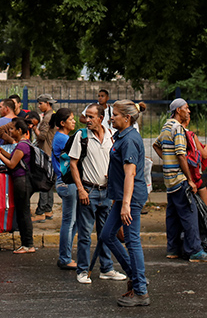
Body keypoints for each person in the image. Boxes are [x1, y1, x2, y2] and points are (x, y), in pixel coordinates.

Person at [100, 100, 149, 307]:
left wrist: (126, 204)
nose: (111, 118)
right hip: (121, 197)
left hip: (130, 198)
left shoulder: (129, 139)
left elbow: (130, 173)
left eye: (115, 115)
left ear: (127, 118)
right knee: (107, 235)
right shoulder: (122, 136)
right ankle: (137, 276)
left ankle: (140, 291)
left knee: (132, 241)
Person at [155, 98, 207, 262]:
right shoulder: (178, 129)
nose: (189, 111)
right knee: (190, 214)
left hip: (169, 180)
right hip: (179, 178)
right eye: (186, 108)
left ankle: (173, 249)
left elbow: (156, 144)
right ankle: (195, 251)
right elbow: (181, 155)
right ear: (178, 111)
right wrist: (189, 180)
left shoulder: (166, 126)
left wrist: (167, 161)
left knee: (173, 215)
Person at [70, 103, 126, 283]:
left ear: (101, 118)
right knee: (85, 234)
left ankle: (106, 268)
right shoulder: (82, 136)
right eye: (86, 116)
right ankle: (83, 270)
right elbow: (73, 164)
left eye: (91, 117)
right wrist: (80, 189)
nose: (87, 120)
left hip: (107, 192)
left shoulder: (111, 136)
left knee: (106, 234)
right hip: (89, 191)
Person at [0, 118, 37, 253]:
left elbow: (11, 164)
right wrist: (1, 151)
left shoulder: (22, 146)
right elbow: (12, 157)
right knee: (23, 212)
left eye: (12, 129)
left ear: (19, 131)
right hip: (23, 181)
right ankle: (27, 244)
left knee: (23, 213)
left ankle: (28, 244)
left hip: (22, 181)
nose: (10, 131)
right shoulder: (24, 144)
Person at [49, 107, 78, 271]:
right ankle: (65, 257)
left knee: (75, 221)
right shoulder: (62, 139)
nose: (74, 121)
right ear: (62, 122)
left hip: (66, 183)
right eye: (71, 119)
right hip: (67, 183)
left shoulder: (63, 137)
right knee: (69, 221)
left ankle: (66, 255)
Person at [34, 94, 56, 221]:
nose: (39, 106)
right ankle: (48, 209)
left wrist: (34, 128)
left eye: (40, 103)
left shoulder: (47, 117)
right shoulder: (52, 115)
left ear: (47, 103)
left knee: (43, 182)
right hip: (51, 152)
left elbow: (42, 136)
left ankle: (41, 211)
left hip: (46, 153)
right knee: (49, 182)